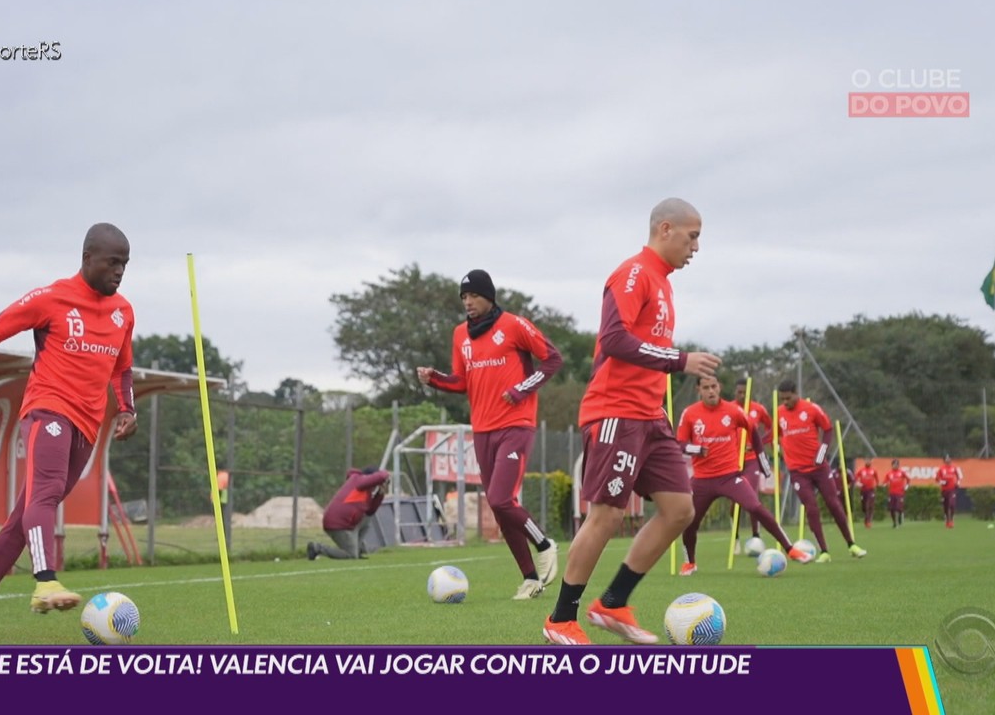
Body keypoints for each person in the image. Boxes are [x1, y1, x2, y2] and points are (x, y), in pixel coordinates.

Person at [0, 223, 137, 644]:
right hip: (48, 410)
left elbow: (122, 367)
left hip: (87, 425)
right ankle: (45, 581)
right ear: (87, 259)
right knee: (44, 495)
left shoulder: (123, 311)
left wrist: (128, 409)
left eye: (125, 264)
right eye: (112, 262)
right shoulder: (51, 298)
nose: (119, 272)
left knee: (19, 525)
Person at [542, 197, 721, 645]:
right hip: (615, 412)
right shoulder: (635, 273)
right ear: (665, 229)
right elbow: (614, 339)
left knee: (680, 509)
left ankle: (614, 602)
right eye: (692, 235)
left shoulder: (664, 282)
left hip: (651, 415)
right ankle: (561, 620)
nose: (696, 246)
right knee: (605, 516)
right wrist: (680, 360)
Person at [417, 269, 563, 600]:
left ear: (489, 297)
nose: (468, 302)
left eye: (474, 296)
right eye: (464, 297)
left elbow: (552, 359)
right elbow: (461, 381)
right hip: (482, 430)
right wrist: (435, 378)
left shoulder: (513, 325)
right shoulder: (460, 335)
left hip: (516, 424)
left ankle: (544, 543)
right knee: (499, 509)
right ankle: (529, 578)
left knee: (500, 498)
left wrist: (522, 388)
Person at [676, 376, 813, 574]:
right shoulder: (690, 413)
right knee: (690, 521)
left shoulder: (733, 411)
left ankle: (790, 549)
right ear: (699, 390)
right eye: (706, 387)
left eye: (714, 386)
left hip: (730, 476)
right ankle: (690, 562)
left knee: (755, 506)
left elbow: (754, 431)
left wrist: (763, 460)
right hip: (702, 479)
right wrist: (696, 448)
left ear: (720, 387)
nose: (711, 391)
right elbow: (679, 443)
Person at [776, 381, 867, 563]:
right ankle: (824, 551)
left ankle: (851, 545)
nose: (785, 402)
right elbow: (778, 434)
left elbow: (827, 429)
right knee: (811, 507)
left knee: (833, 503)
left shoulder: (811, 409)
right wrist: (780, 449)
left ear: (796, 394)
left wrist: (822, 452)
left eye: (788, 398)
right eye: (782, 399)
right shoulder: (779, 413)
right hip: (797, 471)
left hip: (819, 468)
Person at [308, 466, 390, 560]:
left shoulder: (365, 492)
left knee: (367, 519)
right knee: (351, 555)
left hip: (347, 523)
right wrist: (386, 474)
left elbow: (370, 511)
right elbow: (381, 476)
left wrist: (380, 494)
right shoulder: (358, 480)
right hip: (337, 524)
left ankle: (358, 549)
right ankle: (317, 548)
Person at [732, 379, 773, 547]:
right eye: (739, 392)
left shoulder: (758, 409)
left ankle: (756, 535)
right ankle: (735, 539)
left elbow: (772, 429)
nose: (742, 395)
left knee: (751, 495)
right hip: (732, 461)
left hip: (751, 461)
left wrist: (759, 443)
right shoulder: (729, 408)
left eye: (745, 392)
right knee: (735, 501)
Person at [935, 455, 963, 528]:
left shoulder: (954, 468)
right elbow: (937, 479)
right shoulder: (941, 469)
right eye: (947, 459)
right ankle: (947, 520)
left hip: (952, 489)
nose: (948, 460)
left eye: (949, 458)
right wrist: (942, 482)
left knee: (952, 504)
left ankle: (952, 520)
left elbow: (960, 477)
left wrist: (958, 483)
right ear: (944, 460)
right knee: (946, 506)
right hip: (944, 490)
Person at [884, 458, 911, 527]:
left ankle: (900, 517)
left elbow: (908, 479)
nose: (895, 466)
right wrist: (885, 484)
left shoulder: (902, 472)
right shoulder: (889, 473)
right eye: (894, 464)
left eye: (897, 464)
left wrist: (906, 486)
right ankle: (894, 522)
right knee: (892, 509)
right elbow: (885, 481)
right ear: (892, 465)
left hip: (900, 493)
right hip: (891, 493)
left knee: (898, 507)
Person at [853, 458, 880, 529]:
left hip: (871, 490)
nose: (868, 462)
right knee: (864, 507)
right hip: (863, 490)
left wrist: (876, 487)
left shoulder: (873, 470)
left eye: (869, 461)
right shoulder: (862, 470)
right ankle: (866, 519)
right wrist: (858, 483)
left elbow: (877, 480)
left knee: (869, 505)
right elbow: (855, 478)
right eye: (866, 461)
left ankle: (868, 521)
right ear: (865, 462)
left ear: (870, 462)